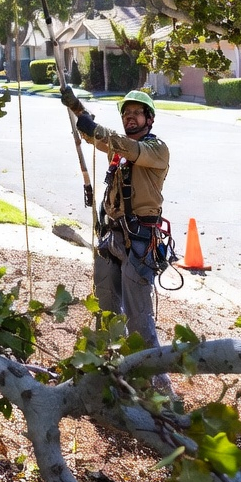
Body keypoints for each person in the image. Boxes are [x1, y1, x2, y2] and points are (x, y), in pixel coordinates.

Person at [61, 86, 169, 349]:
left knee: (138, 317)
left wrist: (97, 130)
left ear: (149, 119)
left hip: (140, 242)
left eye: (136, 113)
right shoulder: (118, 148)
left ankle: (149, 374)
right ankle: (107, 363)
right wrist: (76, 107)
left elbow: (125, 146)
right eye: (126, 113)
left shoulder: (156, 150)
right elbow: (94, 134)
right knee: (105, 306)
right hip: (112, 237)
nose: (130, 117)